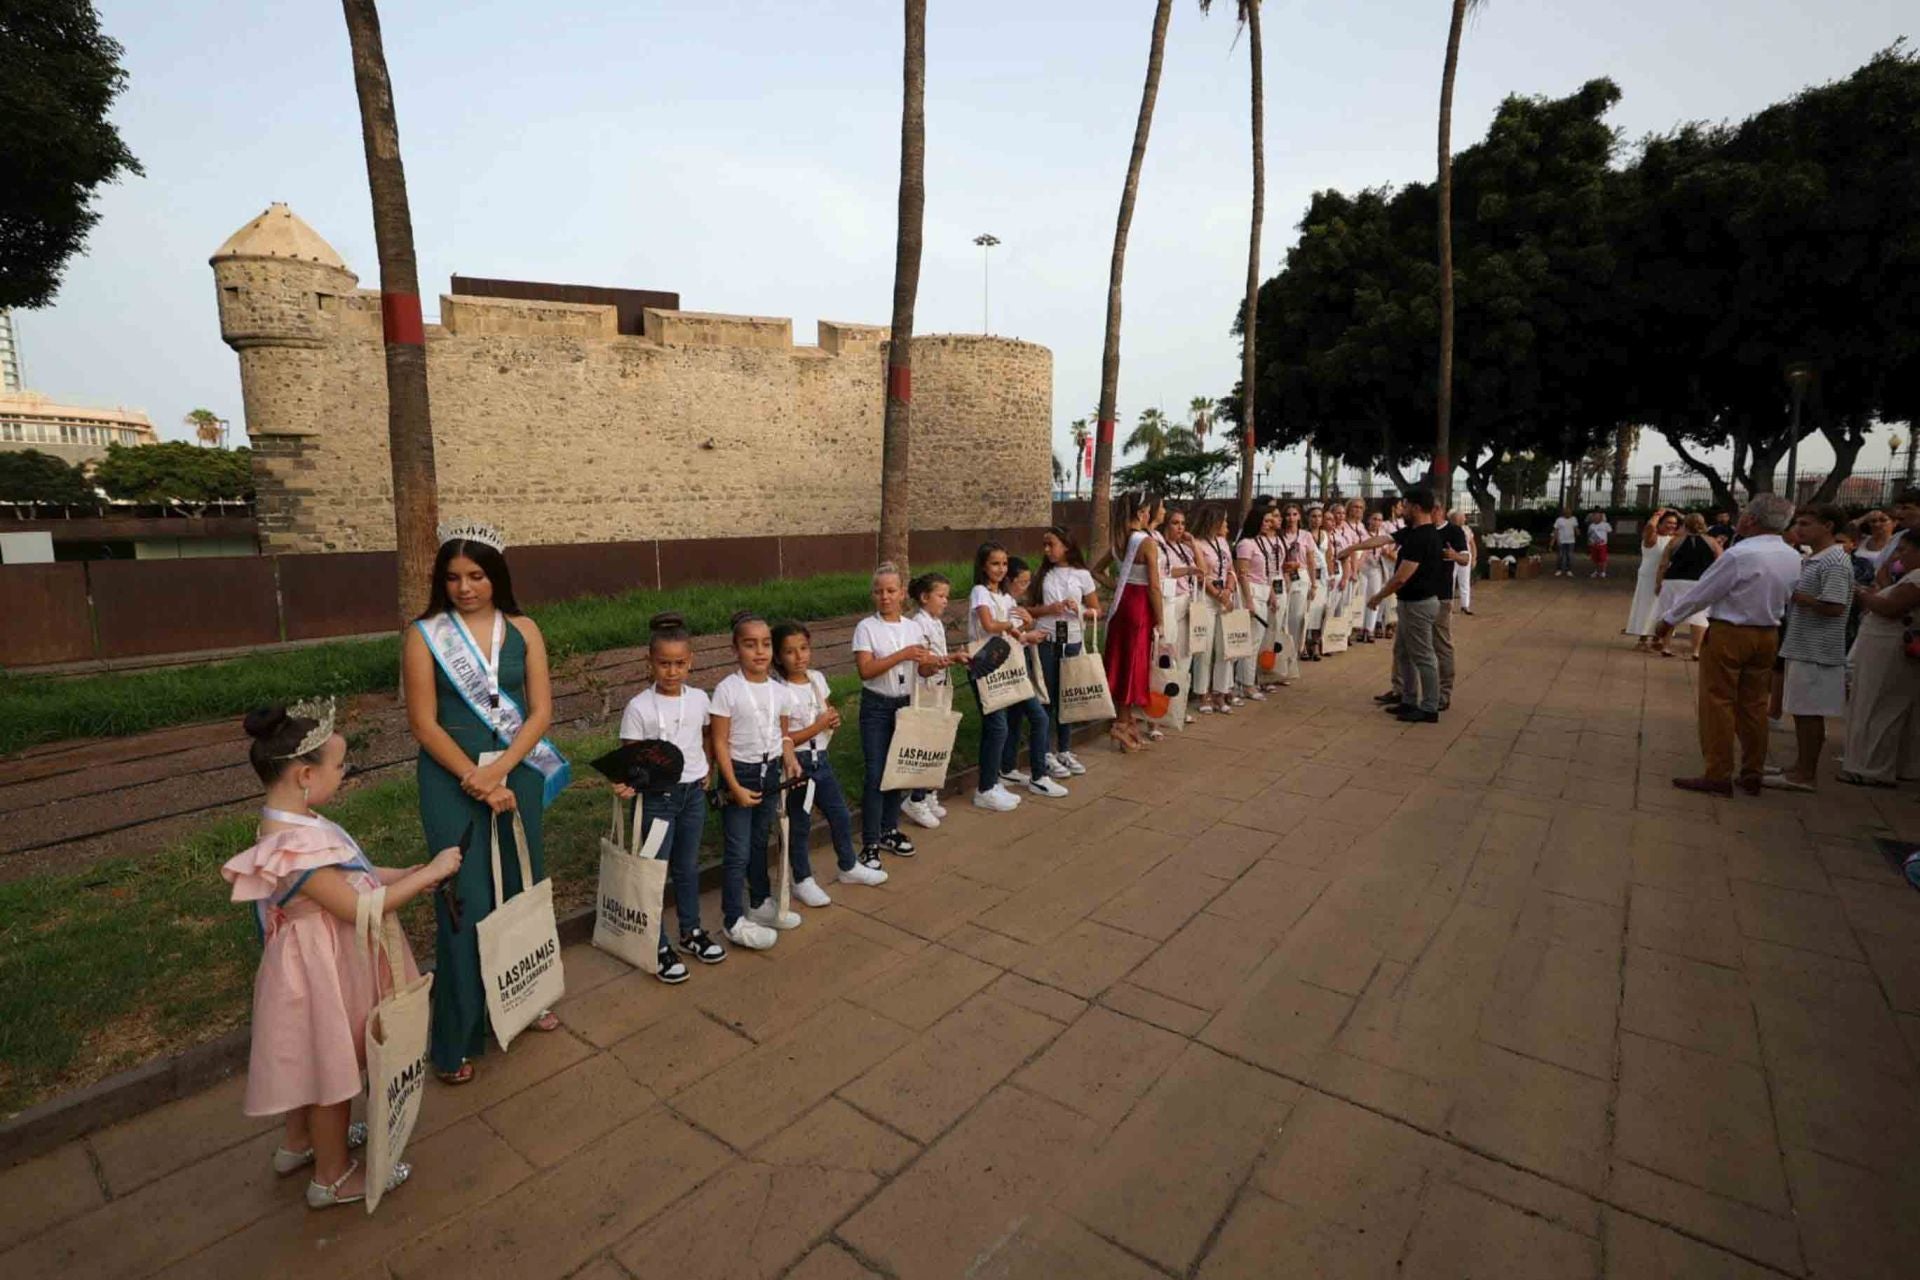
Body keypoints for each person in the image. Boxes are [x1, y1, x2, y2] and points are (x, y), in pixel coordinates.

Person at [224, 700, 459, 1209]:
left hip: (312, 960)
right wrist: (429, 875)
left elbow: (357, 875)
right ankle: (331, 1178)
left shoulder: (289, 821)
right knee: (331, 1067)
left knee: (311, 1055)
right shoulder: (296, 844)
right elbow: (359, 906)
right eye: (339, 766)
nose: (345, 773)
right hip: (322, 967)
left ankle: (299, 1143)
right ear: (306, 775)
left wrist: (410, 870)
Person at [403, 523, 571, 1085]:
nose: (464, 587)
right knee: (464, 899)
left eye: (476, 575)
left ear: (496, 576)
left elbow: (541, 711)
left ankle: (526, 999)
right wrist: (474, 776)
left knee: (522, 886)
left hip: (514, 771)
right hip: (451, 778)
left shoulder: (524, 629)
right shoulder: (425, 634)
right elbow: (423, 724)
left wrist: (499, 770)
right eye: (452, 577)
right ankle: (457, 1037)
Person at [1652, 493, 1801, 795]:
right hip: (1768, 632)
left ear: (1751, 519)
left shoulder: (1740, 554)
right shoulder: (1791, 555)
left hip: (1731, 632)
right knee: (1754, 705)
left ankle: (1718, 772)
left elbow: (1702, 593)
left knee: (1718, 702)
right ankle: (1752, 770)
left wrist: (1667, 620)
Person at [614, 612, 721, 979]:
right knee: (654, 871)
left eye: (679, 664)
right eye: (664, 664)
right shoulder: (639, 707)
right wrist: (629, 781)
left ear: (690, 662)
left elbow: (706, 736)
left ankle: (691, 930)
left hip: (692, 794)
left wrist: (707, 767)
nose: (672, 672)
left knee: (687, 867)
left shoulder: (699, 700)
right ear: (650, 663)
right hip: (657, 799)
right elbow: (631, 756)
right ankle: (656, 943)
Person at [774, 619, 887, 898]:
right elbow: (783, 739)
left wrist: (831, 719)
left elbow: (824, 711)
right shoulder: (778, 692)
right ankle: (802, 880)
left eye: (804, 648)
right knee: (799, 825)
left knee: (839, 814)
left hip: (820, 760)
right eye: (790, 651)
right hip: (797, 765)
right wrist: (817, 725)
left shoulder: (816, 679)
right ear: (778, 656)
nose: (799, 656)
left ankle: (848, 865)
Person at [855, 564, 945, 835]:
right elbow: (866, 670)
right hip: (876, 705)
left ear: (902, 593)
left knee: (897, 772)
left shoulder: (912, 628)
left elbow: (922, 668)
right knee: (875, 773)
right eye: (879, 591)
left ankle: (889, 829)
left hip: (904, 704)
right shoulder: (866, 628)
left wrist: (939, 663)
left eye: (891, 591)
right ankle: (870, 838)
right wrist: (902, 655)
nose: (885, 597)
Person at [1767, 506, 1852, 792]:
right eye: (1797, 523)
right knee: (1802, 711)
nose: (1799, 529)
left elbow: (1836, 606)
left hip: (1818, 649)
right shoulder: (1813, 559)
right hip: (1802, 644)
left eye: (1806, 523)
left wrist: (1801, 598)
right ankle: (1799, 766)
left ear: (1827, 526)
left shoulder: (1835, 562)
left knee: (1810, 713)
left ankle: (1805, 774)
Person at [1843, 527, 1920, 787]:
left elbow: (1890, 607)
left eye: (1904, 550)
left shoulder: (1917, 579)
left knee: (1879, 708)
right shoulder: (1910, 577)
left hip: (1890, 651)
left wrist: (1862, 595)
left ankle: (1871, 768)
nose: (1899, 555)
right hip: (1883, 648)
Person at [968, 541, 1044, 799]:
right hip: (986, 663)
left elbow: (1015, 631)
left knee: (1007, 724)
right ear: (983, 565)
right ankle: (986, 786)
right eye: (994, 563)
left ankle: (994, 780)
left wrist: (1026, 627)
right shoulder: (980, 592)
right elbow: (988, 624)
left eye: (1003, 564)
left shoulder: (1006, 597)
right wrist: (1012, 627)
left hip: (1008, 663)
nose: (1000, 569)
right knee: (996, 726)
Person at [1367, 488, 1447, 722]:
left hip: (1419, 604)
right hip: (1410, 603)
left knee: (1423, 655)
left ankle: (1430, 706)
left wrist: (1378, 596)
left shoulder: (1423, 536)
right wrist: (1352, 548)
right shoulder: (1414, 532)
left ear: (1415, 507)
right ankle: (1408, 699)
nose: (1401, 509)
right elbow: (1384, 539)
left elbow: (1401, 576)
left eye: (1405, 505)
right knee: (1403, 652)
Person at [1093, 490, 1165, 750]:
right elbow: (1154, 587)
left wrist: (1118, 586)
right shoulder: (1146, 542)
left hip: (1122, 605)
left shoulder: (1120, 540)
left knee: (1123, 664)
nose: (1150, 514)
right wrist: (1161, 619)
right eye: (1147, 510)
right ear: (1141, 512)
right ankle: (1121, 726)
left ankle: (1125, 721)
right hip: (1140, 608)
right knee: (1134, 666)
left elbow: (1096, 571)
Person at [995, 556, 1072, 797]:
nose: (1025, 587)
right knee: (1039, 717)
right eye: (1022, 581)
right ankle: (1039, 775)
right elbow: (1005, 633)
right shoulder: (1003, 603)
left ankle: (1007, 767)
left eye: (1028, 582)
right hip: (1011, 667)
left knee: (1015, 717)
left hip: (1019, 663)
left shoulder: (1010, 600)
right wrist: (1028, 632)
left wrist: (1027, 631)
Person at [1030, 527, 1100, 773]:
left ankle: (1065, 749)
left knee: (1067, 696)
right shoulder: (1043, 575)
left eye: (1052, 544)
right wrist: (1049, 609)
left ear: (1066, 546)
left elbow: (1096, 610)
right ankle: (1046, 751)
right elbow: (1030, 609)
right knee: (1047, 695)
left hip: (1072, 639)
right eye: (1045, 545)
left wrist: (1078, 608)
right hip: (1047, 638)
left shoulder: (1081, 575)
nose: (1047, 550)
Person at [899, 572, 956, 831]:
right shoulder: (918, 624)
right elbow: (923, 662)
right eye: (941, 596)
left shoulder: (935, 622)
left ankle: (930, 791)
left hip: (940, 687)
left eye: (947, 596)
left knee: (939, 741)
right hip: (925, 690)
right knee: (925, 744)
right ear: (924, 597)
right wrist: (944, 661)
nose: (945, 601)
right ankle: (916, 798)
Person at [1188, 504, 1240, 710]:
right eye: (1224, 521)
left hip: (1225, 597)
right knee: (1206, 646)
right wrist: (1217, 594)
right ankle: (1202, 693)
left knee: (1226, 645)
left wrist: (1228, 590)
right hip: (1207, 598)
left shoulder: (1223, 542)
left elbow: (1230, 568)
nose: (1226, 525)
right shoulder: (1198, 544)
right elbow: (1200, 575)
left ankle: (1221, 690)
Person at [1654, 514, 1719, 659]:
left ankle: (1666, 647)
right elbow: (1720, 564)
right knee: (1699, 617)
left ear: (1685, 525)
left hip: (1674, 581)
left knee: (1670, 612)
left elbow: (1663, 564)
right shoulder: (1712, 542)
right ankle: (1696, 651)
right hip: (1700, 582)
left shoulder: (1674, 541)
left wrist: (1658, 583)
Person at [1233, 504, 1280, 700]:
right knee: (1251, 641)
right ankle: (1246, 683)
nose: (1269, 525)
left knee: (1258, 640)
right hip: (1251, 591)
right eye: (1266, 521)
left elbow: (1267, 572)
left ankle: (1248, 680)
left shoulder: (1263, 542)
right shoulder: (1246, 544)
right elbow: (1242, 574)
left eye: (1271, 521)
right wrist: (1249, 601)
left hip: (1263, 589)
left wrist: (1271, 594)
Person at [1628, 508, 1679, 648]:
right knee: (1647, 606)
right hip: (1649, 576)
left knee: (1663, 608)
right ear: (1660, 523)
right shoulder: (1652, 537)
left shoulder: (1674, 538)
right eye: (1668, 522)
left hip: (1666, 577)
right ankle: (1642, 639)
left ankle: (1658, 638)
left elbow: (1692, 526)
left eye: (1674, 523)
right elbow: (1650, 525)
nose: (1672, 526)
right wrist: (1658, 514)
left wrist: (1678, 513)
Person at [1274, 502, 1314, 678]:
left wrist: (1314, 584)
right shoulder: (1278, 536)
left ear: (1299, 516)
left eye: (1294, 514)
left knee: (1296, 620)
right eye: (1288, 514)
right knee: (1281, 620)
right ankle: (1278, 660)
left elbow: (1311, 561)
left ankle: (1292, 659)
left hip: (1301, 577)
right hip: (1282, 578)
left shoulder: (1305, 536)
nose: (1291, 518)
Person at [1449, 510, 1477, 616]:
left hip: (1465, 557)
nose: (1464, 519)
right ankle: (1449, 605)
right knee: (1450, 580)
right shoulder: (1449, 529)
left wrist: (1474, 557)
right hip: (1452, 557)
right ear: (1456, 518)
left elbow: (1472, 544)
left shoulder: (1466, 529)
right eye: (1463, 517)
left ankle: (1465, 605)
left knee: (1465, 581)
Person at [1552, 506, 1580, 576]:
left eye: (1569, 512)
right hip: (1561, 540)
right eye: (1566, 512)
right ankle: (1559, 569)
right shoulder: (1559, 520)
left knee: (1569, 556)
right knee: (1560, 556)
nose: (1568, 513)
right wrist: (1556, 539)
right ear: (1564, 513)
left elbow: (1576, 528)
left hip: (1571, 541)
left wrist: (1578, 532)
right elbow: (1556, 530)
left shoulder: (1574, 519)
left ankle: (1568, 570)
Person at [1586, 510, 1613, 578]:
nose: (1595, 518)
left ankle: (1603, 572)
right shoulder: (1591, 526)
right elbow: (1589, 534)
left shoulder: (1605, 525)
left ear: (1600, 518)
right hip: (1594, 544)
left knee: (1603, 559)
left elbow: (1610, 533)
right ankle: (1596, 571)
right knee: (1595, 559)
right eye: (1594, 517)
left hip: (1602, 545)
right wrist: (1589, 542)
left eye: (1597, 517)